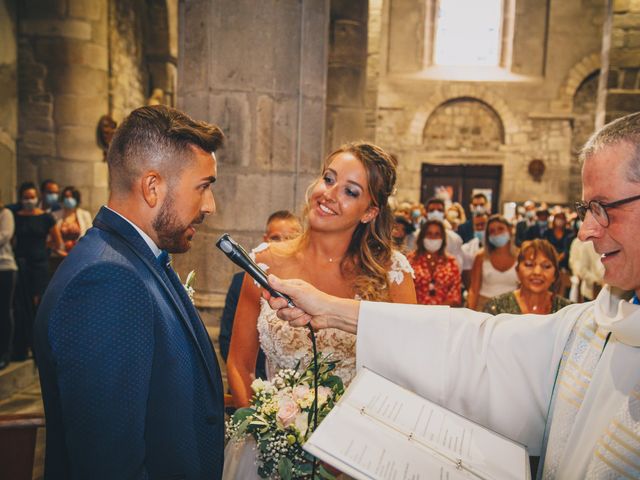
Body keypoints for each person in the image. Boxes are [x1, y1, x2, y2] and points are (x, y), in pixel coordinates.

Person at [264, 111, 640, 479]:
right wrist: (331, 309)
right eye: (586, 209)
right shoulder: (597, 324)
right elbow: (478, 347)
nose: (586, 231)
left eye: (603, 208)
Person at [34, 105, 226, 479]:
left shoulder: (133, 258)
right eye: (203, 187)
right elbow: (108, 464)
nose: (210, 206)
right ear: (153, 187)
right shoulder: (106, 280)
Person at [223, 142, 417, 479]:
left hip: (358, 458)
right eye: (328, 179)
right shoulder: (266, 263)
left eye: (350, 191)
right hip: (270, 454)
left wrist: (348, 452)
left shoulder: (391, 275)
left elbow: (409, 374)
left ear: (369, 212)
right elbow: (239, 364)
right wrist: (266, 432)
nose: (329, 194)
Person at [218, 210, 302, 378]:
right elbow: (228, 338)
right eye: (276, 238)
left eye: (290, 239)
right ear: (266, 240)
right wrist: (259, 386)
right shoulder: (241, 281)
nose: (282, 244)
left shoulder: (304, 285)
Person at [12, 181, 66, 360]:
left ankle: (39, 349)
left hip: (39, 265)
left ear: (37, 197)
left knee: (38, 305)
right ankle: (21, 346)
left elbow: (57, 242)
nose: (29, 200)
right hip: (21, 264)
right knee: (21, 306)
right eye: (26, 197)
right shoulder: (15, 216)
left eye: (32, 197)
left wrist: (47, 248)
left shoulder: (46, 218)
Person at [484, 239, 572, 315]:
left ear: (555, 275)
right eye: (529, 265)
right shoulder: (497, 309)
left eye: (546, 266)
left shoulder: (568, 312)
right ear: (518, 271)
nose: (537, 272)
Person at [467, 215, 518, 311]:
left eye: (500, 229)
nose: (497, 233)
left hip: (512, 308)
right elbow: (474, 290)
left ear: (510, 230)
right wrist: (471, 313)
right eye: (492, 231)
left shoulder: (520, 256)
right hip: (484, 307)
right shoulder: (480, 257)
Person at [409, 220, 461, 306]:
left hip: (444, 314)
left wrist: (437, 312)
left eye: (437, 234)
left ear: (442, 238)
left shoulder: (451, 262)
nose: (433, 238)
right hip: (416, 311)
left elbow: (455, 294)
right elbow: (406, 291)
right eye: (429, 234)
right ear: (422, 236)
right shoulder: (410, 260)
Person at [424, 197, 464, 270]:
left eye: (439, 210)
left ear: (444, 214)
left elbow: (458, 267)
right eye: (432, 210)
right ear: (426, 213)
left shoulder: (455, 239)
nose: (435, 213)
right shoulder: (415, 237)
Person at [0, 201, 17, 370]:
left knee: (4, 310)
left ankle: (5, 352)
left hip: (4, 267)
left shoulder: (5, 214)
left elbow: (4, 236)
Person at [53, 186, 94, 253]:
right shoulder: (55, 215)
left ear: (76, 199)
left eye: (72, 197)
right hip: (59, 254)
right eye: (66, 197)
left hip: (79, 253)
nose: (69, 199)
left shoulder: (85, 215)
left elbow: (90, 236)